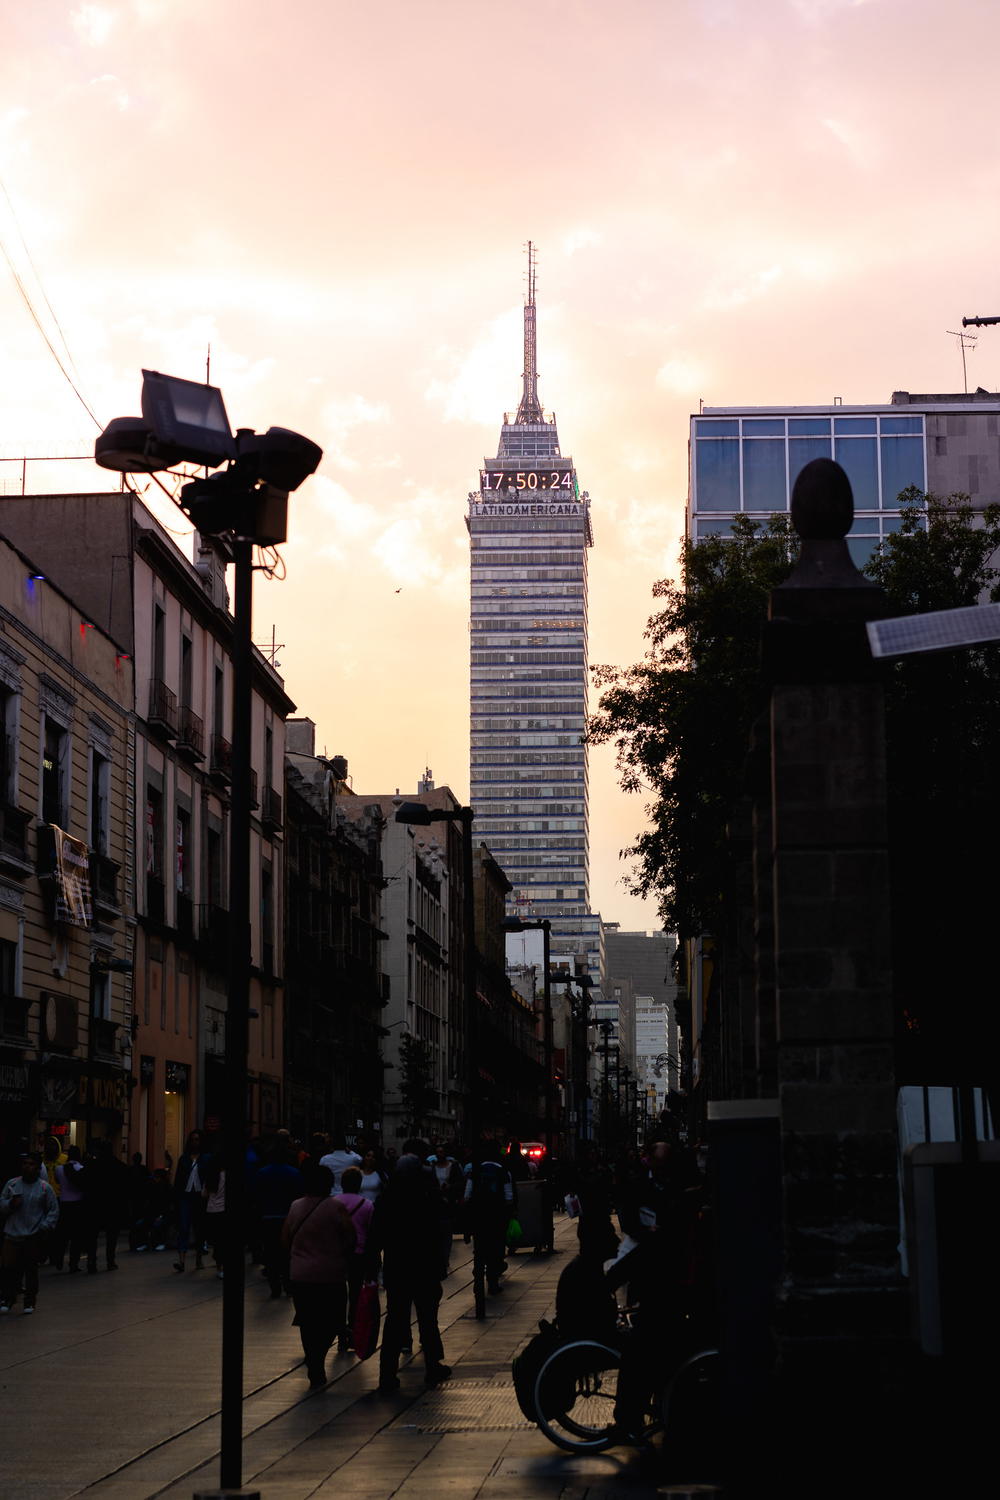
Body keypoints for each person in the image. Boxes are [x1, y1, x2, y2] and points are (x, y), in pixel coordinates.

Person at [367, 1149, 451, 1394]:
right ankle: (433, 1365)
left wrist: (372, 1268)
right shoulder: (427, 1197)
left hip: (398, 1270)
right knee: (428, 1319)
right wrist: (441, 1264)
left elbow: (375, 1238)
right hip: (425, 1268)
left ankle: (387, 1374)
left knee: (395, 1321)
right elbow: (439, 1232)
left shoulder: (386, 1199)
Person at [282, 1164, 356, 1388]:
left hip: (301, 1275)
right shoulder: (336, 1208)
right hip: (330, 1275)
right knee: (333, 1322)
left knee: (307, 1321)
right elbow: (351, 1239)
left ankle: (313, 1362)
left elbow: (284, 1239)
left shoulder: (295, 1206)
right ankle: (317, 1359)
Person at [0, 1152, 59, 1313]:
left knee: (30, 1269)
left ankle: (29, 1301)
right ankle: (7, 1297)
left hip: (32, 1234)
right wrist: (11, 1204)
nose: (27, 1167)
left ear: (38, 1168)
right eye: (25, 1163)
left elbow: (53, 1210)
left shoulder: (44, 1188)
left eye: (31, 1164)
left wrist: (44, 1227)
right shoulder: (12, 1185)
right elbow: (2, 1205)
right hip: (12, 1234)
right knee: (9, 1268)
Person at [464, 1140, 514, 1295]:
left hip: (479, 1216)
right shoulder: (502, 1171)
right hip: (497, 1217)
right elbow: (509, 1197)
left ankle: (477, 1279)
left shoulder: (475, 1170)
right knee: (495, 1248)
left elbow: (467, 1195)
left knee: (479, 1250)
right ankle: (492, 1282)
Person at [253, 1144, 303, 1298]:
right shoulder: (294, 1173)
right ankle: (288, 1285)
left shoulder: (262, 1173)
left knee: (270, 1253)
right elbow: (299, 1195)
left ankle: (274, 1286)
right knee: (287, 1254)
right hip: (288, 1218)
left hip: (268, 1217)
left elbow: (256, 1196)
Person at [335, 1165, 375, 1350]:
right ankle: (352, 1329)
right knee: (355, 1294)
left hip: (337, 1254)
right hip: (359, 1255)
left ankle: (340, 1331)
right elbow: (370, 1232)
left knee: (339, 1295)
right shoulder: (367, 1204)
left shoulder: (333, 1203)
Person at [173, 1130, 210, 1272]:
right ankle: (181, 1261)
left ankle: (199, 1258)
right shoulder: (183, 1159)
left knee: (199, 1229)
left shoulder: (206, 1159)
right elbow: (178, 1180)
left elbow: (208, 1177)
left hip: (199, 1198)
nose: (195, 1142)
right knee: (184, 1227)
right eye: (193, 1139)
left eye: (198, 1139)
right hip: (186, 1197)